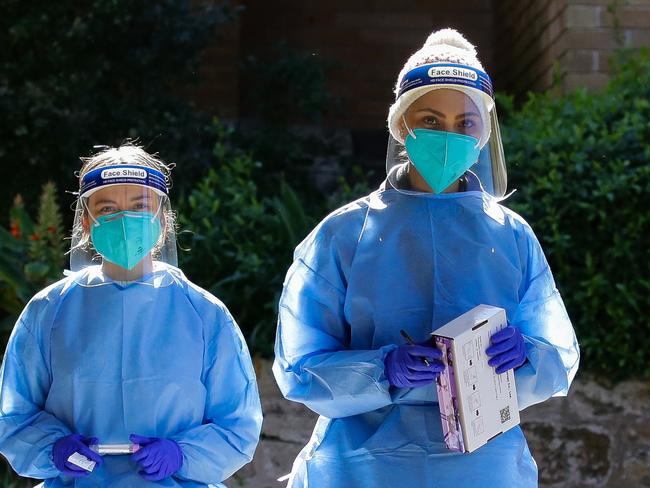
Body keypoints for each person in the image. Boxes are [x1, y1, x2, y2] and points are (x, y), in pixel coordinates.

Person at [273, 28, 579, 487]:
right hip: (363, 467)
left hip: (482, 467)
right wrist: (381, 369)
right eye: (432, 121)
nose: (449, 136)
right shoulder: (343, 235)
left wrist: (527, 354)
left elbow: (557, 356)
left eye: (466, 123)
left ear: (484, 134)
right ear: (401, 126)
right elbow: (299, 366)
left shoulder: (512, 236)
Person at [0, 144, 263, 487]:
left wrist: (182, 454)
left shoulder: (204, 314)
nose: (124, 221)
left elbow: (238, 425)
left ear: (162, 218)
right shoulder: (49, 310)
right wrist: (52, 448)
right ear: (86, 221)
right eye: (107, 209)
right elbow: (13, 414)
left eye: (139, 207)